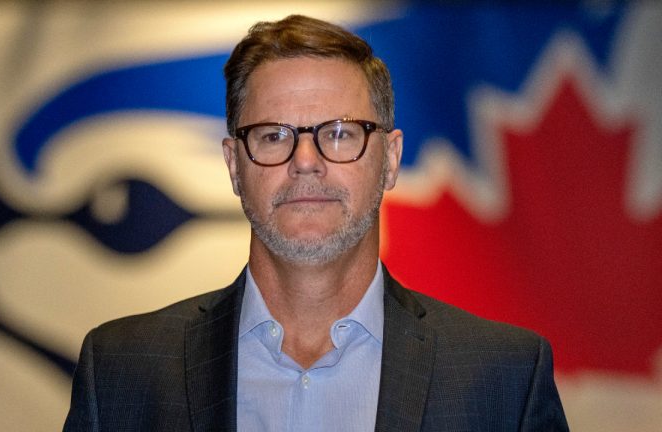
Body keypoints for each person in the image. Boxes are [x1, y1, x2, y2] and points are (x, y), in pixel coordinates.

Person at [63, 15, 568, 431]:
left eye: (341, 133)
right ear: (234, 164)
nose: (306, 160)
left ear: (390, 160)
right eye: (273, 135)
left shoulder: (506, 380)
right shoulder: (121, 372)